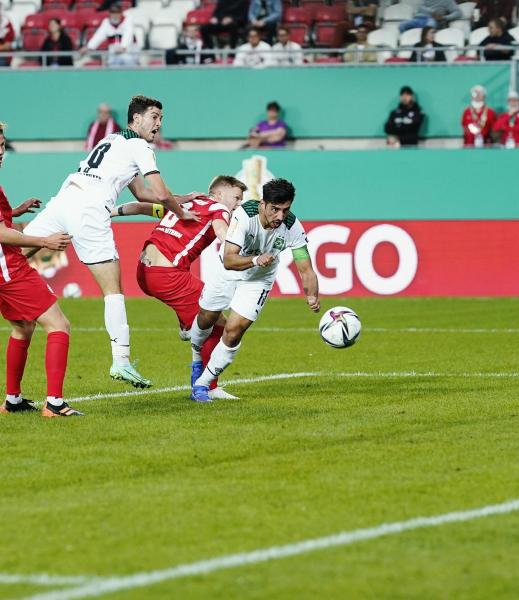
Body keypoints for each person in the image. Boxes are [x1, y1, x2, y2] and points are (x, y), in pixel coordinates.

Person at [23, 96, 198, 389]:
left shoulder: (112, 139)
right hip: (90, 210)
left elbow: (143, 194)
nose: (159, 124)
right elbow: (158, 191)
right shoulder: (140, 146)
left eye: (161, 118)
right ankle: (121, 361)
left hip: (64, 199)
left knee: (15, 253)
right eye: (154, 116)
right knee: (112, 290)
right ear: (136, 119)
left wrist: (177, 199)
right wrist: (181, 211)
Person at [188, 178, 320, 402]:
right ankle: (196, 357)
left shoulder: (292, 226)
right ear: (263, 203)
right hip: (228, 272)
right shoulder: (244, 216)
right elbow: (229, 260)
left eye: (285, 210)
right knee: (206, 318)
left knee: (235, 329)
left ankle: (202, 384)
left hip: (258, 280)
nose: (280, 216)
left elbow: (305, 267)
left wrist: (311, 295)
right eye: (274, 209)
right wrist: (257, 259)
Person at [131, 176, 246, 401]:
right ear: (220, 195)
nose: (238, 204)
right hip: (167, 276)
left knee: (203, 313)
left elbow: (141, 207)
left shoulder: (185, 204)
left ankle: (187, 325)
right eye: (236, 198)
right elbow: (223, 233)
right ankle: (206, 386)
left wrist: (110, 212)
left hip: (144, 272)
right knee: (219, 325)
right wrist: (239, 246)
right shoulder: (219, 209)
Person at [0, 122, 78, 417]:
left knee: (22, 327)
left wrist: (13, 212)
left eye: (2, 144)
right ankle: (55, 404)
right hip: (8, 268)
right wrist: (43, 240)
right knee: (59, 325)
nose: (0, 151)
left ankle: (12, 400)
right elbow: (2, 234)